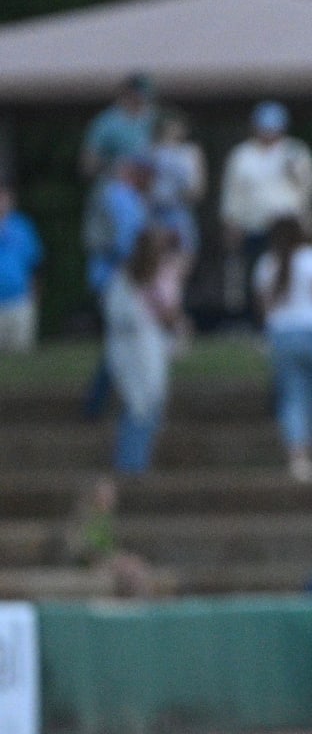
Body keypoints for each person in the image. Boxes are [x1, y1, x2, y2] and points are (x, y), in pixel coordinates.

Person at [254, 216, 312, 482]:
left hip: (283, 334)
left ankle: (299, 459)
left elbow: (264, 306)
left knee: (292, 397)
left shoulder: (267, 263)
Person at [220, 100, 312, 323]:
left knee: (296, 272)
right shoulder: (242, 155)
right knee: (259, 275)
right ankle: (258, 322)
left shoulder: (296, 151)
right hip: (255, 227)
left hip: (291, 227)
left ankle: (295, 316)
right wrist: (231, 223)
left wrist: (296, 172)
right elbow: (232, 193)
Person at [103, 226, 185, 477]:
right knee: (139, 407)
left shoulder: (144, 278)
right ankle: (130, 466)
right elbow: (122, 316)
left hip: (145, 344)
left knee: (148, 406)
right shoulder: (126, 279)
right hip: (134, 346)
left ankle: (135, 463)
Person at [81, 153, 157, 420]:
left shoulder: (126, 197)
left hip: (119, 280)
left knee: (120, 343)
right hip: (116, 281)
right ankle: (100, 406)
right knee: (122, 343)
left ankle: (101, 405)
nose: (150, 178)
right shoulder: (118, 197)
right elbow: (128, 244)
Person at [148, 110, 207, 262]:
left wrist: (183, 194)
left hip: (180, 211)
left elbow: (198, 189)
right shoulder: (152, 151)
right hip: (156, 212)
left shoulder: (191, 152)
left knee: (184, 256)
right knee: (155, 257)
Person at [79, 73, 157, 183]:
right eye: (136, 95)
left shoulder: (155, 118)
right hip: (116, 186)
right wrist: (114, 167)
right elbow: (88, 164)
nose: (141, 101)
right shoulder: (106, 122)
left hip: (149, 190)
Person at [0, 176, 43, 353]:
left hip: (20, 301)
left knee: (21, 354)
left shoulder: (23, 227)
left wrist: (34, 298)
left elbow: (36, 264)